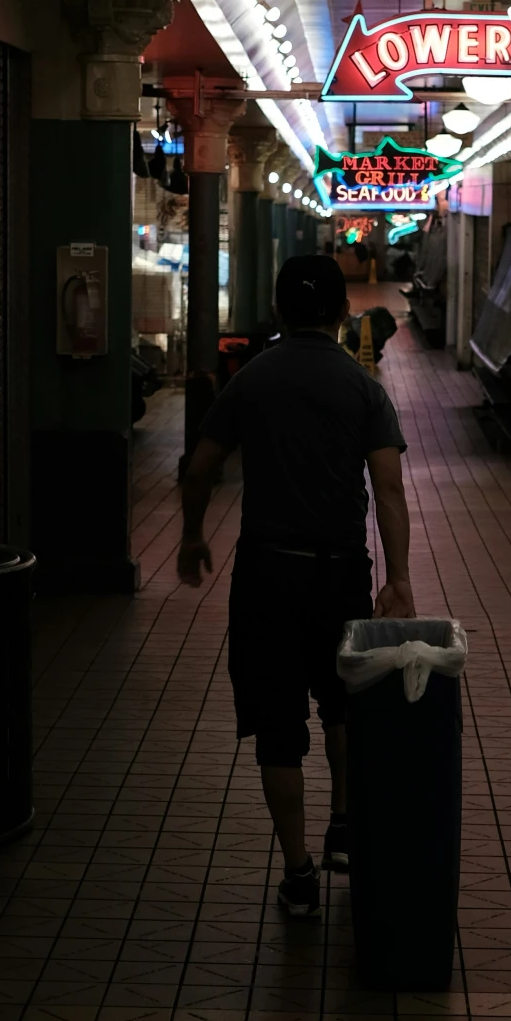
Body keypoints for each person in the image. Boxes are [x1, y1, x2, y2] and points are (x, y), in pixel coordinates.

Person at [176, 254, 415, 917]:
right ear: (342, 312)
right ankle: (343, 820)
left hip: (266, 571)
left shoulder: (251, 380)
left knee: (277, 727)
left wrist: (192, 534)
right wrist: (397, 578)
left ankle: (298, 872)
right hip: (340, 570)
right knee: (341, 706)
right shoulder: (362, 388)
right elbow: (388, 489)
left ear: (279, 310)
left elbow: (198, 469)